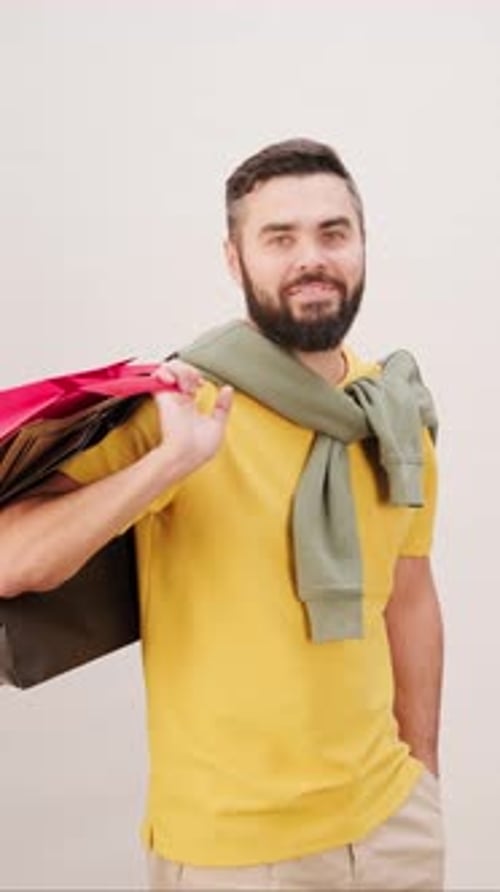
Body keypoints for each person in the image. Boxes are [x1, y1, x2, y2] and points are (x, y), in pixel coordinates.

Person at [0, 139, 444, 890]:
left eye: (333, 232)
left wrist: (423, 772)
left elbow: (408, 593)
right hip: (235, 852)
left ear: (363, 245)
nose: (312, 257)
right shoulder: (178, 406)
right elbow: (11, 562)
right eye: (280, 238)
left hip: (392, 829)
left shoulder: (392, 409)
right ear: (235, 260)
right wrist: (168, 465)